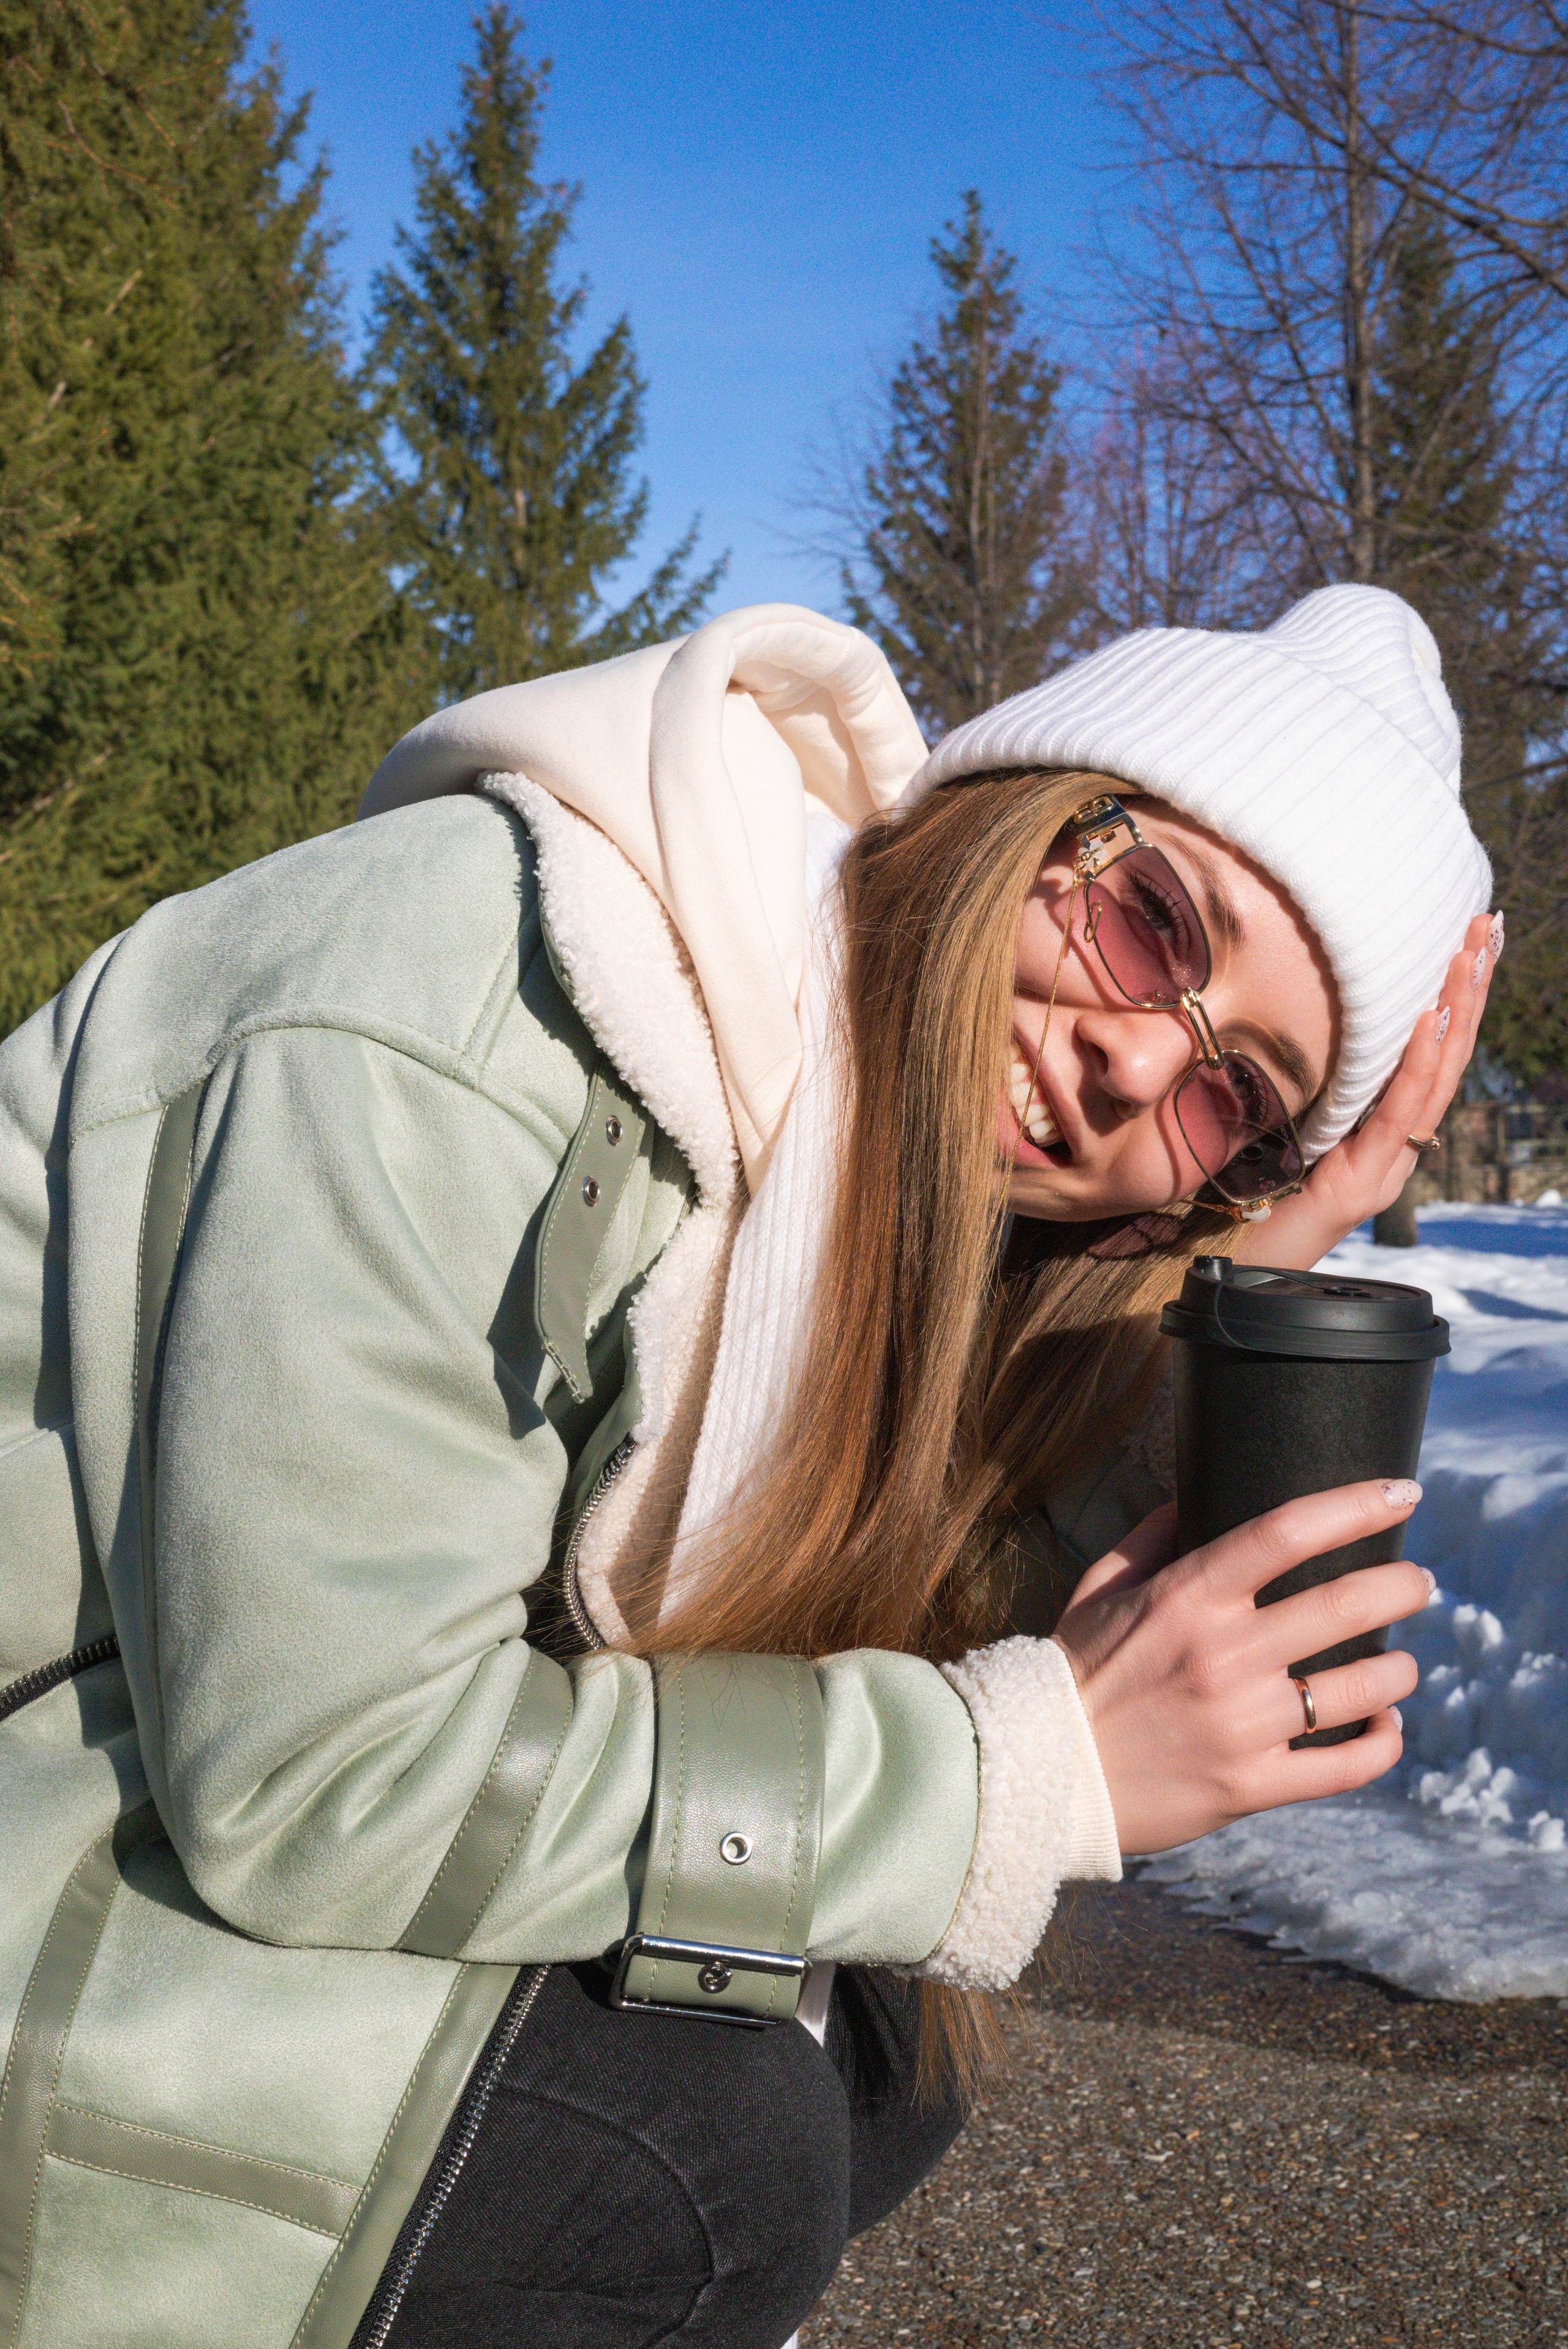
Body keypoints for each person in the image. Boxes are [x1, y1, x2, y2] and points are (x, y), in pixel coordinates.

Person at [0, 585, 1496, 2349]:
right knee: (702, 2150)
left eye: (1231, 1092)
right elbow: (322, 1774)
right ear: (1021, 803)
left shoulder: (824, 1148)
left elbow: (916, 1575)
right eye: (1158, 920)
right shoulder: (483, 984)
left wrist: (1285, 1236)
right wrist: (1016, 1773)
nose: (1136, 1058)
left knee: (871, 2037)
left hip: (138, 1806)